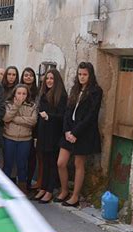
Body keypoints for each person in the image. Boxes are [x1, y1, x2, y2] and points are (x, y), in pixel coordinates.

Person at [57, 62, 103, 207]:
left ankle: (75, 196)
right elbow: (68, 111)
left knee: (78, 164)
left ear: (90, 75)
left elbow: (91, 115)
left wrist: (76, 132)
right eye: (80, 74)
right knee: (61, 162)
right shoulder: (74, 89)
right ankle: (64, 191)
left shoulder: (96, 91)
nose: (82, 77)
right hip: (69, 131)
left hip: (84, 133)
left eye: (85, 75)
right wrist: (66, 131)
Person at [32, 69, 68, 203]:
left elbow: (62, 116)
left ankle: (49, 190)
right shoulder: (43, 94)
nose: (49, 81)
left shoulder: (61, 96)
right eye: (47, 78)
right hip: (43, 133)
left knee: (52, 163)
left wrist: (49, 117)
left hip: (54, 134)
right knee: (45, 162)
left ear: (56, 80)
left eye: (52, 78)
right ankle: (43, 187)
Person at [2, 84, 37, 193]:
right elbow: (6, 118)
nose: (21, 96)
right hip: (9, 138)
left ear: (27, 95)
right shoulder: (8, 104)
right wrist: (16, 106)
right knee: (8, 164)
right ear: (14, 93)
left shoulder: (32, 105)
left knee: (22, 165)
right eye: (19, 93)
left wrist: (15, 119)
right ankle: (5, 188)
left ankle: (22, 188)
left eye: (24, 94)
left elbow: (33, 121)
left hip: (25, 139)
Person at [20, 67, 40, 191]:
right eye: (26, 75)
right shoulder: (18, 90)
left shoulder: (38, 92)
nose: (28, 77)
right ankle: (20, 183)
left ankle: (28, 183)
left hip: (34, 129)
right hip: (17, 130)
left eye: (31, 75)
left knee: (31, 156)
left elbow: (36, 113)